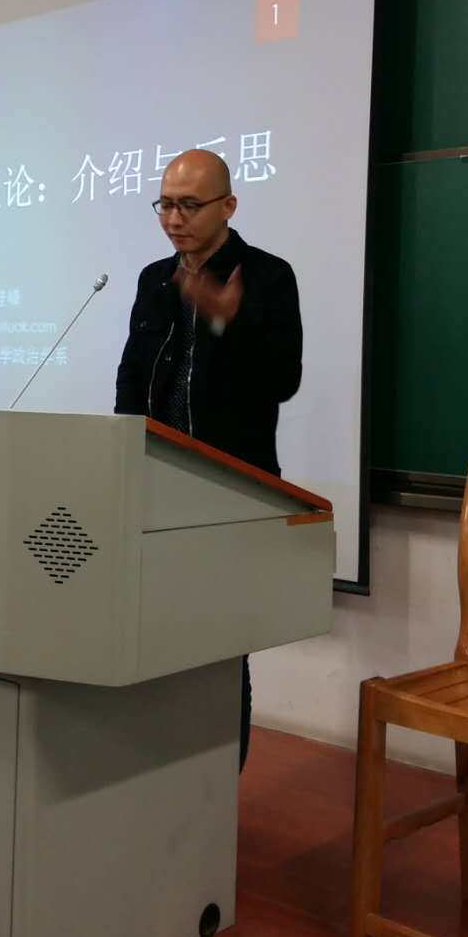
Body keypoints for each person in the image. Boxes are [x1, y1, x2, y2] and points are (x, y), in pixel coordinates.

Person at [115, 148, 303, 770]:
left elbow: (283, 379)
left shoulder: (269, 277)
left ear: (228, 206)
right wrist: (120, 458)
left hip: (229, 494)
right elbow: (132, 376)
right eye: (165, 204)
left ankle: (219, 787)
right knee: (155, 635)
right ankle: (160, 776)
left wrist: (227, 322)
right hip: (156, 487)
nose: (174, 219)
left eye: (189, 206)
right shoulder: (153, 278)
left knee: (222, 646)